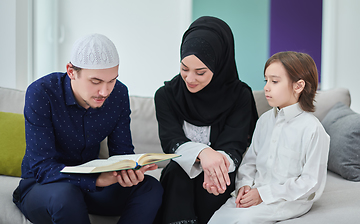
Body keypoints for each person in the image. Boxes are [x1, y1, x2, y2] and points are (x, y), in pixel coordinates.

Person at [12, 33, 163, 224]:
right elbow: (43, 168)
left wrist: (128, 172)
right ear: (71, 71)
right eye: (96, 82)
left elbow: (122, 152)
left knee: (150, 188)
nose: (105, 91)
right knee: (66, 196)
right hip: (44, 186)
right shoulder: (42, 93)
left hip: (92, 188)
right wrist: (96, 180)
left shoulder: (118, 94)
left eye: (111, 80)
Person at [153, 16, 258, 224]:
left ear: (219, 65)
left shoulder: (239, 96)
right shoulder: (166, 95)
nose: (190, 79)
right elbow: (171, 142)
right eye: (184, 69)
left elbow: (234, 146)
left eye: (200, 72)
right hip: (179, 179)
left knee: (216, 180)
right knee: (177, 171)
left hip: (221, 179)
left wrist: (214, 165)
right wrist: (203, 152)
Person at [208, 51, 330, 224]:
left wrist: (264, 195)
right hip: (256, 191)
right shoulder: (264, 120)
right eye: (266, 80)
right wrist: (244, 185)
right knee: (217, 218)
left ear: (298, 86)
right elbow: (250, 161)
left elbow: (311, 182)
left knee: (243, 221)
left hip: (289, 200)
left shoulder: (312, 129)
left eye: (274, 81)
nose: (266, 87)